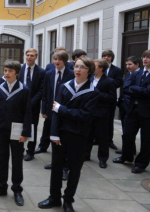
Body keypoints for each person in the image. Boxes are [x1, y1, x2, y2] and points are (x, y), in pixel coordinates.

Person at [38, 57, 99, 212]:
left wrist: (62, 109)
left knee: (74, 169)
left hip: (78, 136)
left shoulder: (93, 92)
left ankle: (68, 201)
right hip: (60, 135)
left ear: (89, 71)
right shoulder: (65, 86)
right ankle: (54, 198)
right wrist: (54, 134)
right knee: (56, 168)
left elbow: (84, 115)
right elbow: (55, 112)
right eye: (76, 67)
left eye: (83, 67)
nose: (78, 70)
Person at [0, 60, 31, 206]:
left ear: (17, 73)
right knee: (2, 160)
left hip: (17, 131)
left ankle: (17, 189)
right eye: (5, 70)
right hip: (1, 130)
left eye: (10, 71)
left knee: (17, 161)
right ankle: (1, 187)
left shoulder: (24, 90)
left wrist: (26, 132)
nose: (6, 73)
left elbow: (27, 113)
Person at [113, 49, 150, 174]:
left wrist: (136, 89)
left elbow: (149, 92)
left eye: (149, 57)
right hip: (132, 110)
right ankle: (126, 156)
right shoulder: (134, 74)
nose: (145, 59)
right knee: (127, 135)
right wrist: (141, 90)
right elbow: (126, 89)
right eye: (144, 57)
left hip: (149, 112)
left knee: (146, 140)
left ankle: (141, 164)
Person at [37, 51, 74, 154]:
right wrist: (44, 109)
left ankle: (60, 152)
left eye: (60, 59)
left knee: (60, 129)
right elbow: (45, 92)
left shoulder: (71, 74)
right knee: (47, 127)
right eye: (55, 59)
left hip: (63, 107)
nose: (57, 62)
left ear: (65, 61)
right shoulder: (49, 73)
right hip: (50, 106)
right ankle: (43, 146)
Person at [85, 59, 116, 169]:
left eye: (95, 66)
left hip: (102, 113)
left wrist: (97, 94)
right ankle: (86, 154)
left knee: (103, 137)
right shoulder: (90, 78)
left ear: (101, 68)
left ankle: (103, 159)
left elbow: (112, 98)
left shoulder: (109, 81)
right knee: (88, 135)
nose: (92, 68)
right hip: (90, 112)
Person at [20, 48, 45, 161]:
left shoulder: (41, 71)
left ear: (36, 57)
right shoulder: (19, 69)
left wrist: (31, 102)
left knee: (32, 128)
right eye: (28, 55)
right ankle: (19, 149)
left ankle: (30, 151)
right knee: (19, 127)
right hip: (19, 104)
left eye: (32, 55)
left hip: (33, 105)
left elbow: (41, 90)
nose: (29, 57)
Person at [116, 56, 140, 155]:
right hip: (124, 105)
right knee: (125, 129)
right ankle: (128, 149)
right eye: (126, 64)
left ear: (137, 64)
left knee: (130, 131)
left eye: (130, 64)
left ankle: (128, 151)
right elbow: (126, 89)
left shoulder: (139, 75)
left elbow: (134, 90)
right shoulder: (128, 74)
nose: (127, 66)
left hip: (133, 106)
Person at [102, 50, 123, 150]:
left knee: (109, 121)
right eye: (104, 56)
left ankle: (109, 140)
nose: (106, 58)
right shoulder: (98, 68)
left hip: (110, 98)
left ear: (112, 58)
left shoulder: (117, 70)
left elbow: (119, 82)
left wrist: (107, 83)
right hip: (98, 99)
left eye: (108, 56)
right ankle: (96, 139)